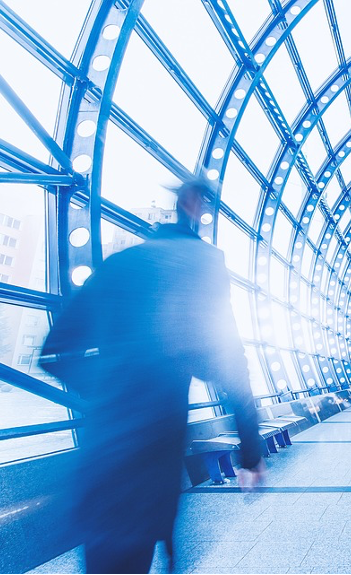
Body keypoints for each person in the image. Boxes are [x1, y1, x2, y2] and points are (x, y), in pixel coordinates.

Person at [39, 180, 264, 574]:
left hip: (99, 459)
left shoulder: (121, 263)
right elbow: (230, 360)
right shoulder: (202, 262)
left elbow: (55, 351)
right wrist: (250, 451)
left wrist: (112, 395)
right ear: (193, 207)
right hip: (150, 462)